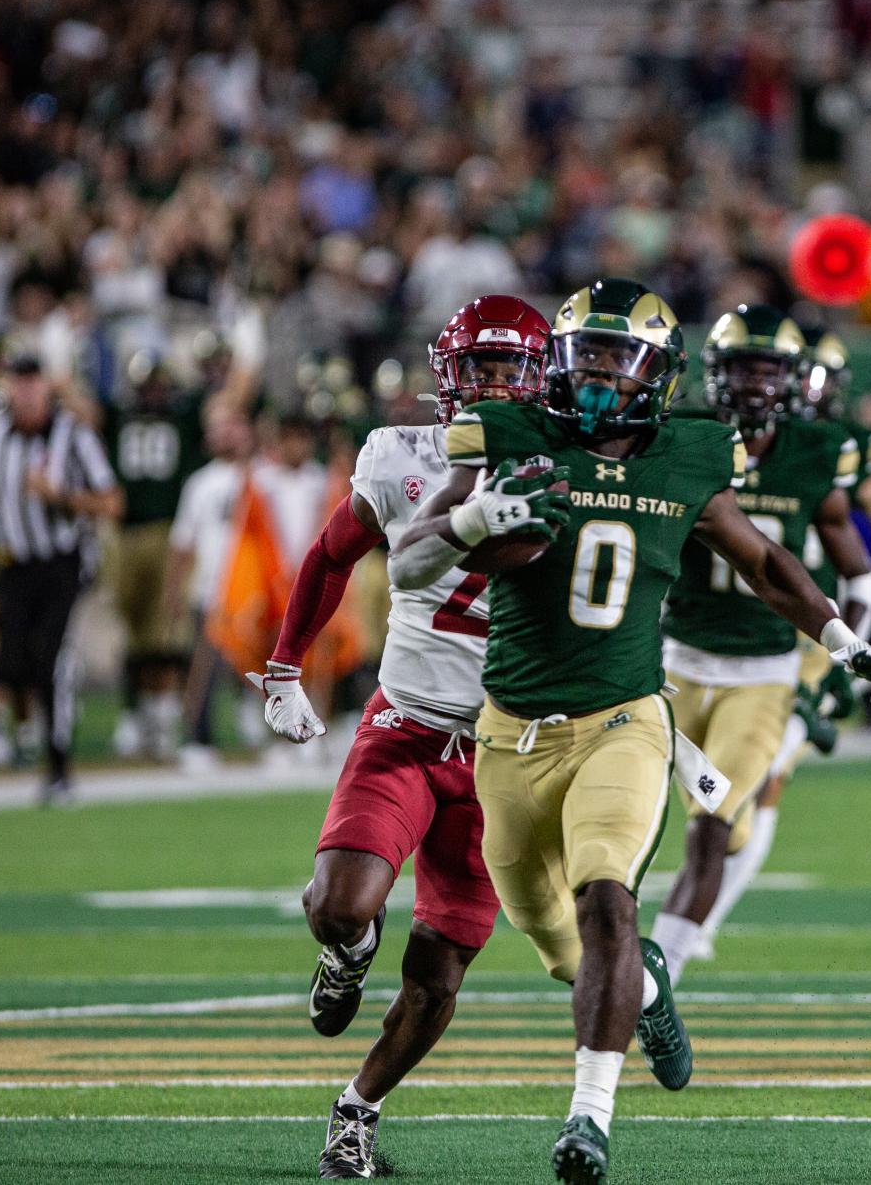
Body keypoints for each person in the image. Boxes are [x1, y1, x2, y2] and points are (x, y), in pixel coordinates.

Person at [393, 279, 871, 1184]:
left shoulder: (688, 456)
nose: (596, 376)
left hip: (625, 718)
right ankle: (653, 985)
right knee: (549, 931)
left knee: (608, 900)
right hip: (510, 729)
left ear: (658, 376)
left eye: (616, 357)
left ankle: (589, 1119)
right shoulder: (508, 435)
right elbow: (408, 560)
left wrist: (842, 641)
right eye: (582, 354)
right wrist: (472, 520)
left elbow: (765, 560)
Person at [246, 296, 552, 1179]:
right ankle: (348, 951)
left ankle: (357, 1110)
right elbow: (331, 554)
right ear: (447, 375)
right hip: (409, 727)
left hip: (508, 757)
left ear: (539, 379)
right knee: (339, 905)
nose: (493, 387)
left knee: (438, 978)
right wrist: (283, 664)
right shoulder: (402, 455)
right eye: (479, 370)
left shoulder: (567, 467)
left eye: (509, 371)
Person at [647, 307, 871, 988]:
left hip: (763, 674)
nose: (752, 383)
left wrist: (846, 662)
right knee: (625, 819)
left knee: (716, 821)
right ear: (714, 374)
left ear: (789, 378)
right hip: (668, 667)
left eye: (766, 368)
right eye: (740, 367)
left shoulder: (816, 451)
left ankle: (659, 976)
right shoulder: (680, 438)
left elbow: (858, 573)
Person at [687, 325, 871, 961]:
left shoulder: (837, 447)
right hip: (703, 635)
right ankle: (695, 916)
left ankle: (695, 926)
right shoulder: (696, 435)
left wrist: (844, 665)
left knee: (756, 789)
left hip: (800, 626)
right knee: (723, 802)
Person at [0, 356, 122, 804]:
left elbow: (112, 502)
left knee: (49, 658)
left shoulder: (72, 435)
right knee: (12, 661)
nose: (27, 392)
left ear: (46, 388)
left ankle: (58, 765)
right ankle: (23, 731)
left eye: (34, 382)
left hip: (60, 560)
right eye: (19, 382)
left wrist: (62, 497)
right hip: (13, 561)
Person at [104, 352, 206, 760]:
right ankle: (136, 714)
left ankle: (161, 719)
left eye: (158, 384)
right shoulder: (118, 419)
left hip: (167, 529)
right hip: (125, 534)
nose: (154, 391)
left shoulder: (182, 419)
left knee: (166, 627)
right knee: (132, 629)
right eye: (147, 384)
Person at [164, 404, 256, 766]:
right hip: (213, 588)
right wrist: (173, 591)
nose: (228, 434)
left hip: (255, 592)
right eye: (220, 428)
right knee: (204, 668)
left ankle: (280, 737)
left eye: (233, 425)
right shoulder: (201, 483)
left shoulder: (260, 476)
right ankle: (197, 739)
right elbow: (183, 542)